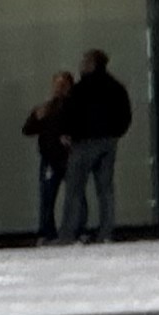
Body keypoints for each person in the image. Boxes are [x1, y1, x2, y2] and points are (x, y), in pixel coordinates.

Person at [63, 48, 135, 242]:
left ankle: (69, 234)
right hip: (109, 143)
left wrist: (69, 133)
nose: (81, 64)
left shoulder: (81, 89)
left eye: (84, 61)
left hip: (84, 143)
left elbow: (71, 113)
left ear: (92, 64)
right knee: (105, 190)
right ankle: (106, 233)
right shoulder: (116, 87)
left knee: (75, 189)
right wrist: (115, 134)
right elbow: (126, 116)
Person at [24, 70, 75, 243]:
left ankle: (75, 230)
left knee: (75, 197)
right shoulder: (46, 108)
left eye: (62, 85)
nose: (58, 89)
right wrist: (36, 118)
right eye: (56, 85)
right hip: (50, 159)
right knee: (47, 197)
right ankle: (47, 232)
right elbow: (28, 130)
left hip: (69, 158)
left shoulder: (75, 107)